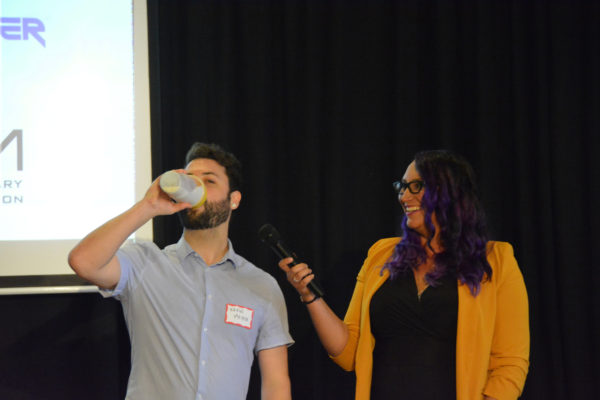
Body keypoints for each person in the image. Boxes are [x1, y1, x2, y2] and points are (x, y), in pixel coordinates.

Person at [279, 150, 529, 400]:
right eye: (402, 186)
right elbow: (349, 353)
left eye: (416, 186)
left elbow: (510, 362)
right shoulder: (381, 254)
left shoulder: (496, 259)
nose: (404, 196)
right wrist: (309, 295)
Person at [69, 142, 293, 400]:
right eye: (190, 181)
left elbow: (276, 383)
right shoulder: (145, 262)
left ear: (234, 199)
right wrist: (148, 206)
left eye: (208, 181)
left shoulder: (260, 285)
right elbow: (83, 262)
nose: (196, 189)